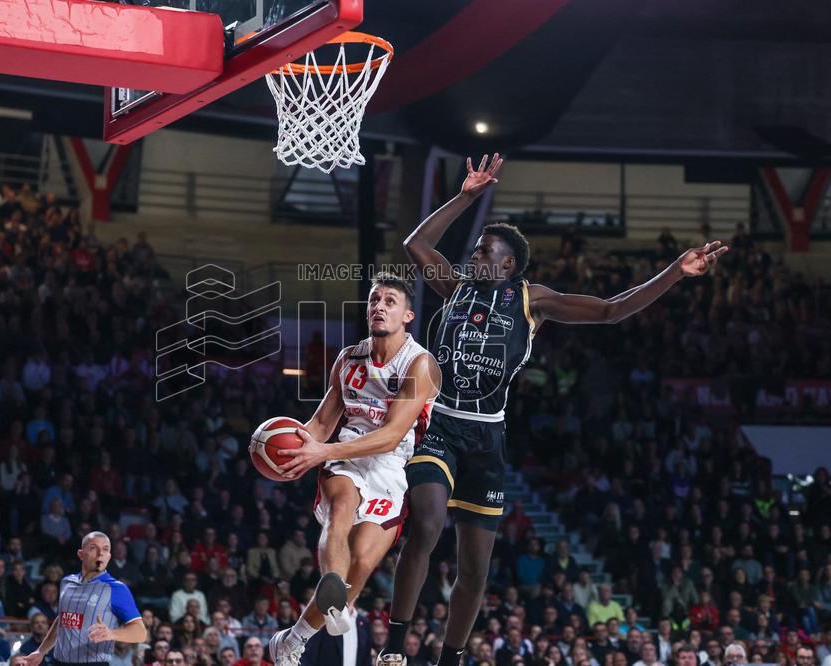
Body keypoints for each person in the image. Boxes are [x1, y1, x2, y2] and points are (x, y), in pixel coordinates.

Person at [378, 153, 728, 666]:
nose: (474, 255)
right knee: (427, 524)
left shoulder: (531, 300)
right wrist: (466, 197)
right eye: (475, 249)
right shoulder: (454, 287)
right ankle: (393, 647)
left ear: (509, 264)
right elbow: (415, 244)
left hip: (487, 438)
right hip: (441, 424)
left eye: (484, 251)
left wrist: (674, 272)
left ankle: (450, 659)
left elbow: (611, 310)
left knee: (475, 569)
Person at [267, 273, 441, 666]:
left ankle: (293, 639)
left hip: (392, 463)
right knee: (340, 509)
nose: (379, 306)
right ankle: (333, 595)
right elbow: (322, 422)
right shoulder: (349, 358)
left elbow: (393, 436)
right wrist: (291, 447)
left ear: (408, 314)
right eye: (374, 300)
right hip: (344, 455)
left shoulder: (420, 364)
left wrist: (323, 448)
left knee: (363, 560)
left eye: (390, 301)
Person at [22, 531, 147, 666]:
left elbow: (140, 633)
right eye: (94, 548)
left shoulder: (116, 589)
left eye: (105, 549)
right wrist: (41, 651)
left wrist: (111, 634)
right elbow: (62, 620)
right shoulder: (66, 582)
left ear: (109, 556)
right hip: (58, 662)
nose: (100, 553)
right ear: (81, 554)